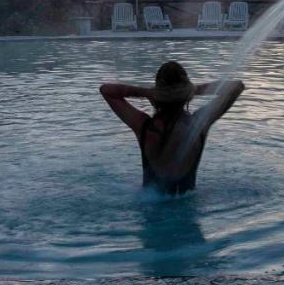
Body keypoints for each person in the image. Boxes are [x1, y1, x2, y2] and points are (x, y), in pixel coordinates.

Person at [99, 61, 245, 195]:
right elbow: (237, 87)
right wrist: (195, 90)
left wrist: (148, 92)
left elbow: (107, 90)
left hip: (150, 212)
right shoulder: (198, 124)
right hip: (187, 211)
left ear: (157, 92)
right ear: (187, 90)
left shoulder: (143, 126)